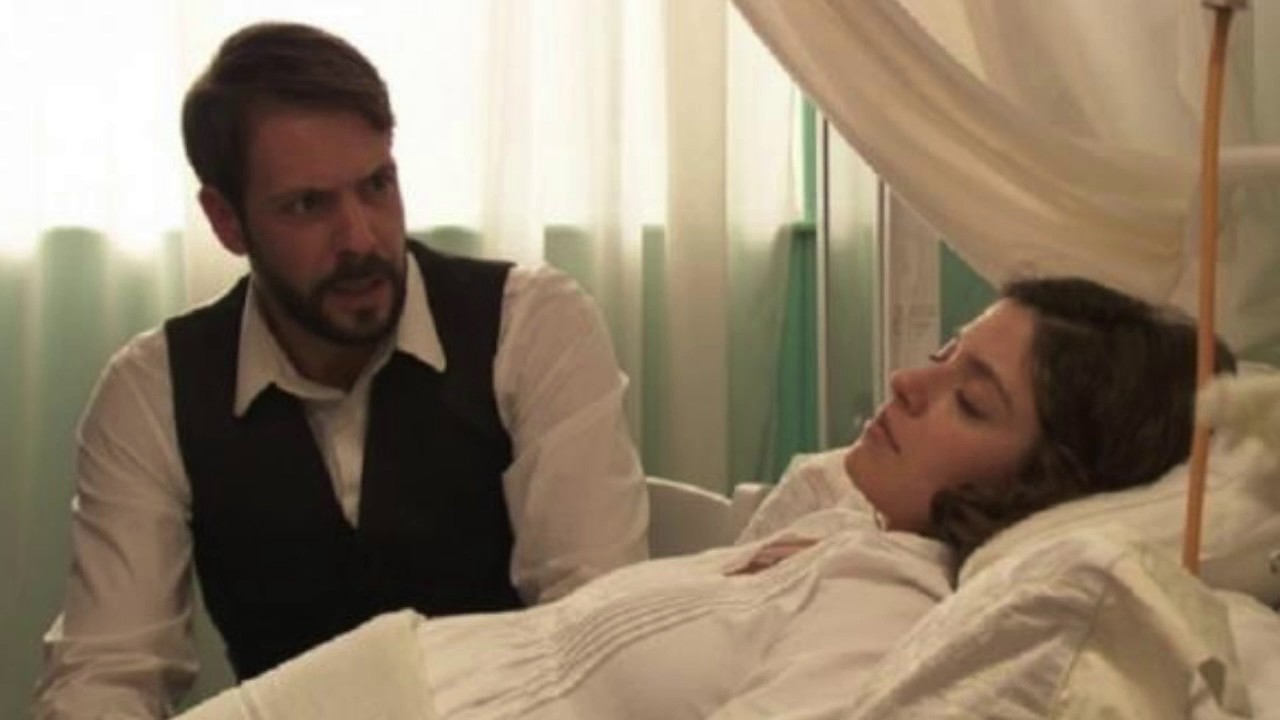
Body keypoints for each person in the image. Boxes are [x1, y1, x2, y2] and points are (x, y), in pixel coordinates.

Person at [173, 276, 1237, 720]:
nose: (909, 382)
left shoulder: (890, 605)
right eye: (943, 351)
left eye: (970, 399)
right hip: (379, 677)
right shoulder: (845, 532)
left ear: (1047, 482)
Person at [34, 22, 648, 720]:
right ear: (226, 221)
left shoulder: (532, 325)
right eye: (308, 205)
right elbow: (108, 673)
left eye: (377, 185)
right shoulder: (153, 392)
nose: (361, 238)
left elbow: (596, 631)